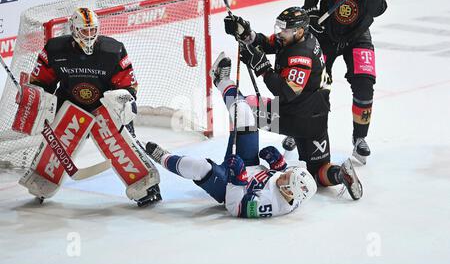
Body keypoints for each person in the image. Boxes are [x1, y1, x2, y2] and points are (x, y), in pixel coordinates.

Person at [144, 53, 362, 218]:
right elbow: (285, 171)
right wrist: (278, 164)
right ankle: (220, 80)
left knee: (201, 168)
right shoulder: (294, 182)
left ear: (289, 192)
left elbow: (234, 207)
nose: (285, 176)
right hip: (250, 164)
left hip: (230, 186)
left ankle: (162, 157)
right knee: (246, 114)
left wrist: (237, 180)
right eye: (288, 175)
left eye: (286, 179)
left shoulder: (274, 205)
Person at [18, 7, 161, 206]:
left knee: (124, 143)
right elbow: (42, 81)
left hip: (105, 108)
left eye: (93, 30)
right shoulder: (54, 49)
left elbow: (128, 84)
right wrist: (36, 96)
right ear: (73, 30)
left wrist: (124, 99)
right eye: (84, 31)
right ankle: (43, 179)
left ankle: (146, 186)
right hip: (70, 105)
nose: (89, 35)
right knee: (57, 141)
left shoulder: (113, 50)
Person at [223, 7, 363, 200]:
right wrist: (246, 33)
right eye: (279, 28)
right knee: (318, 171)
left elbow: (286, 92)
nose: (280, 33)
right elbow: (266, 43)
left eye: (284, 30)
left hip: (294, 117)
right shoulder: (299, 37)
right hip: (317, 118)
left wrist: (262, 67)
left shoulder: (301, 56)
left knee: (243, 111)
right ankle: (340, 174)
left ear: (298, 31)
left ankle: (244, 168)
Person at [301, 0, 393, 164]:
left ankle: (360, 137)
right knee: (312, 83)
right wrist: (311, 13)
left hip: (358, 35)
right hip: (326, 33)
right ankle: (297, 129)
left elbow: (376, 10)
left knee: (365, 84)